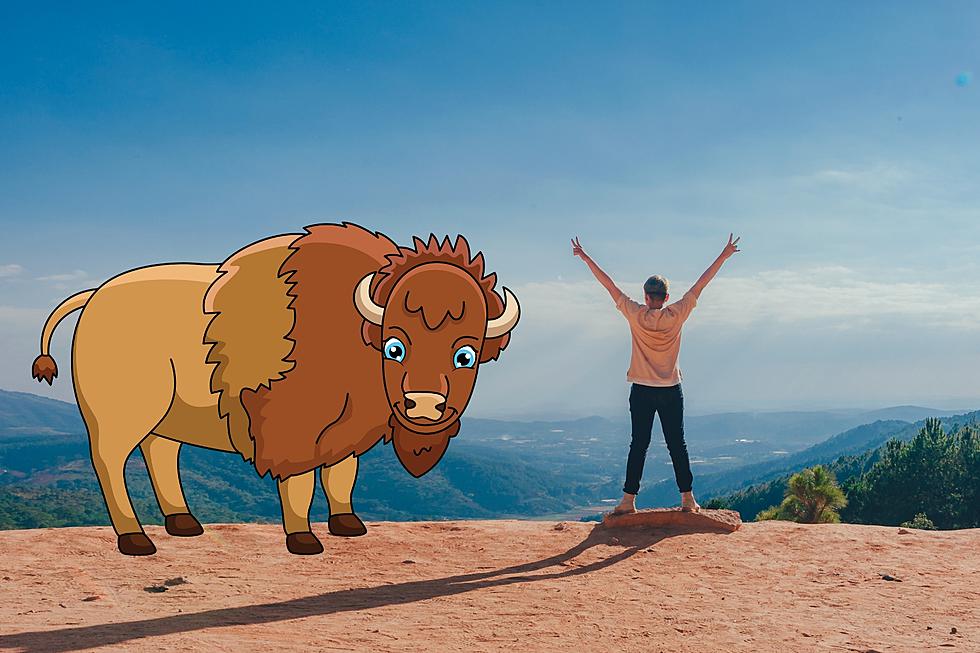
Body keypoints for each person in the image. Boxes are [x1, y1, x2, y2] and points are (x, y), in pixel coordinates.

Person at [571, 234, 741, 514]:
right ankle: (688, 499)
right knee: (677, 444)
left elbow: (609, 285)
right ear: (666, 298)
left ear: (646, 297)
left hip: (641, 389)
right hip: (671, 388)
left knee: (639, 444)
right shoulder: (678, 313)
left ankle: (628, 500)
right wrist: (724, 255)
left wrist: (586, 257)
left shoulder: (635, 314)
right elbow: (701, 283)